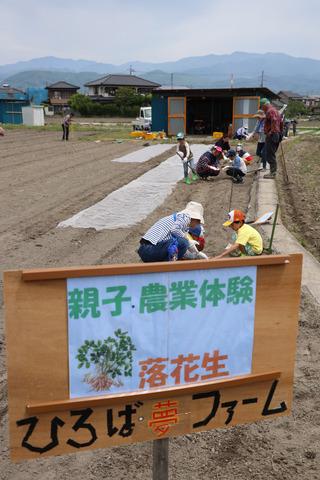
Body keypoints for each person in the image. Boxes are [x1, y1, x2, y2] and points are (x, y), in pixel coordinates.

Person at [137, 201, 204, 263]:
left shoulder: (182, 223)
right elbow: (175, 231)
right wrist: (189, 243)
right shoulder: (183, 219)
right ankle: (169, 265)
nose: (197, 224)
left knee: (182, 244)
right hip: (148, 249)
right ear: (193, 218)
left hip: (150, 249)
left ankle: (167, 265)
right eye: (198, 222)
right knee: (183, 242)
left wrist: (195, 254)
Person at [260, 98, 283, 179]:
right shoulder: (275, 110)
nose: (262, 109)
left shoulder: (270, 111)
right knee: (271, 153)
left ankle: (273, 173)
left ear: (264, 105)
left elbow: (274, 121)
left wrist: (271, 132)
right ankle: (273, 172)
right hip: (277, 134)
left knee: (270, 154)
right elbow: (280, 122)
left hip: (273, 135)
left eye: (262, 107)